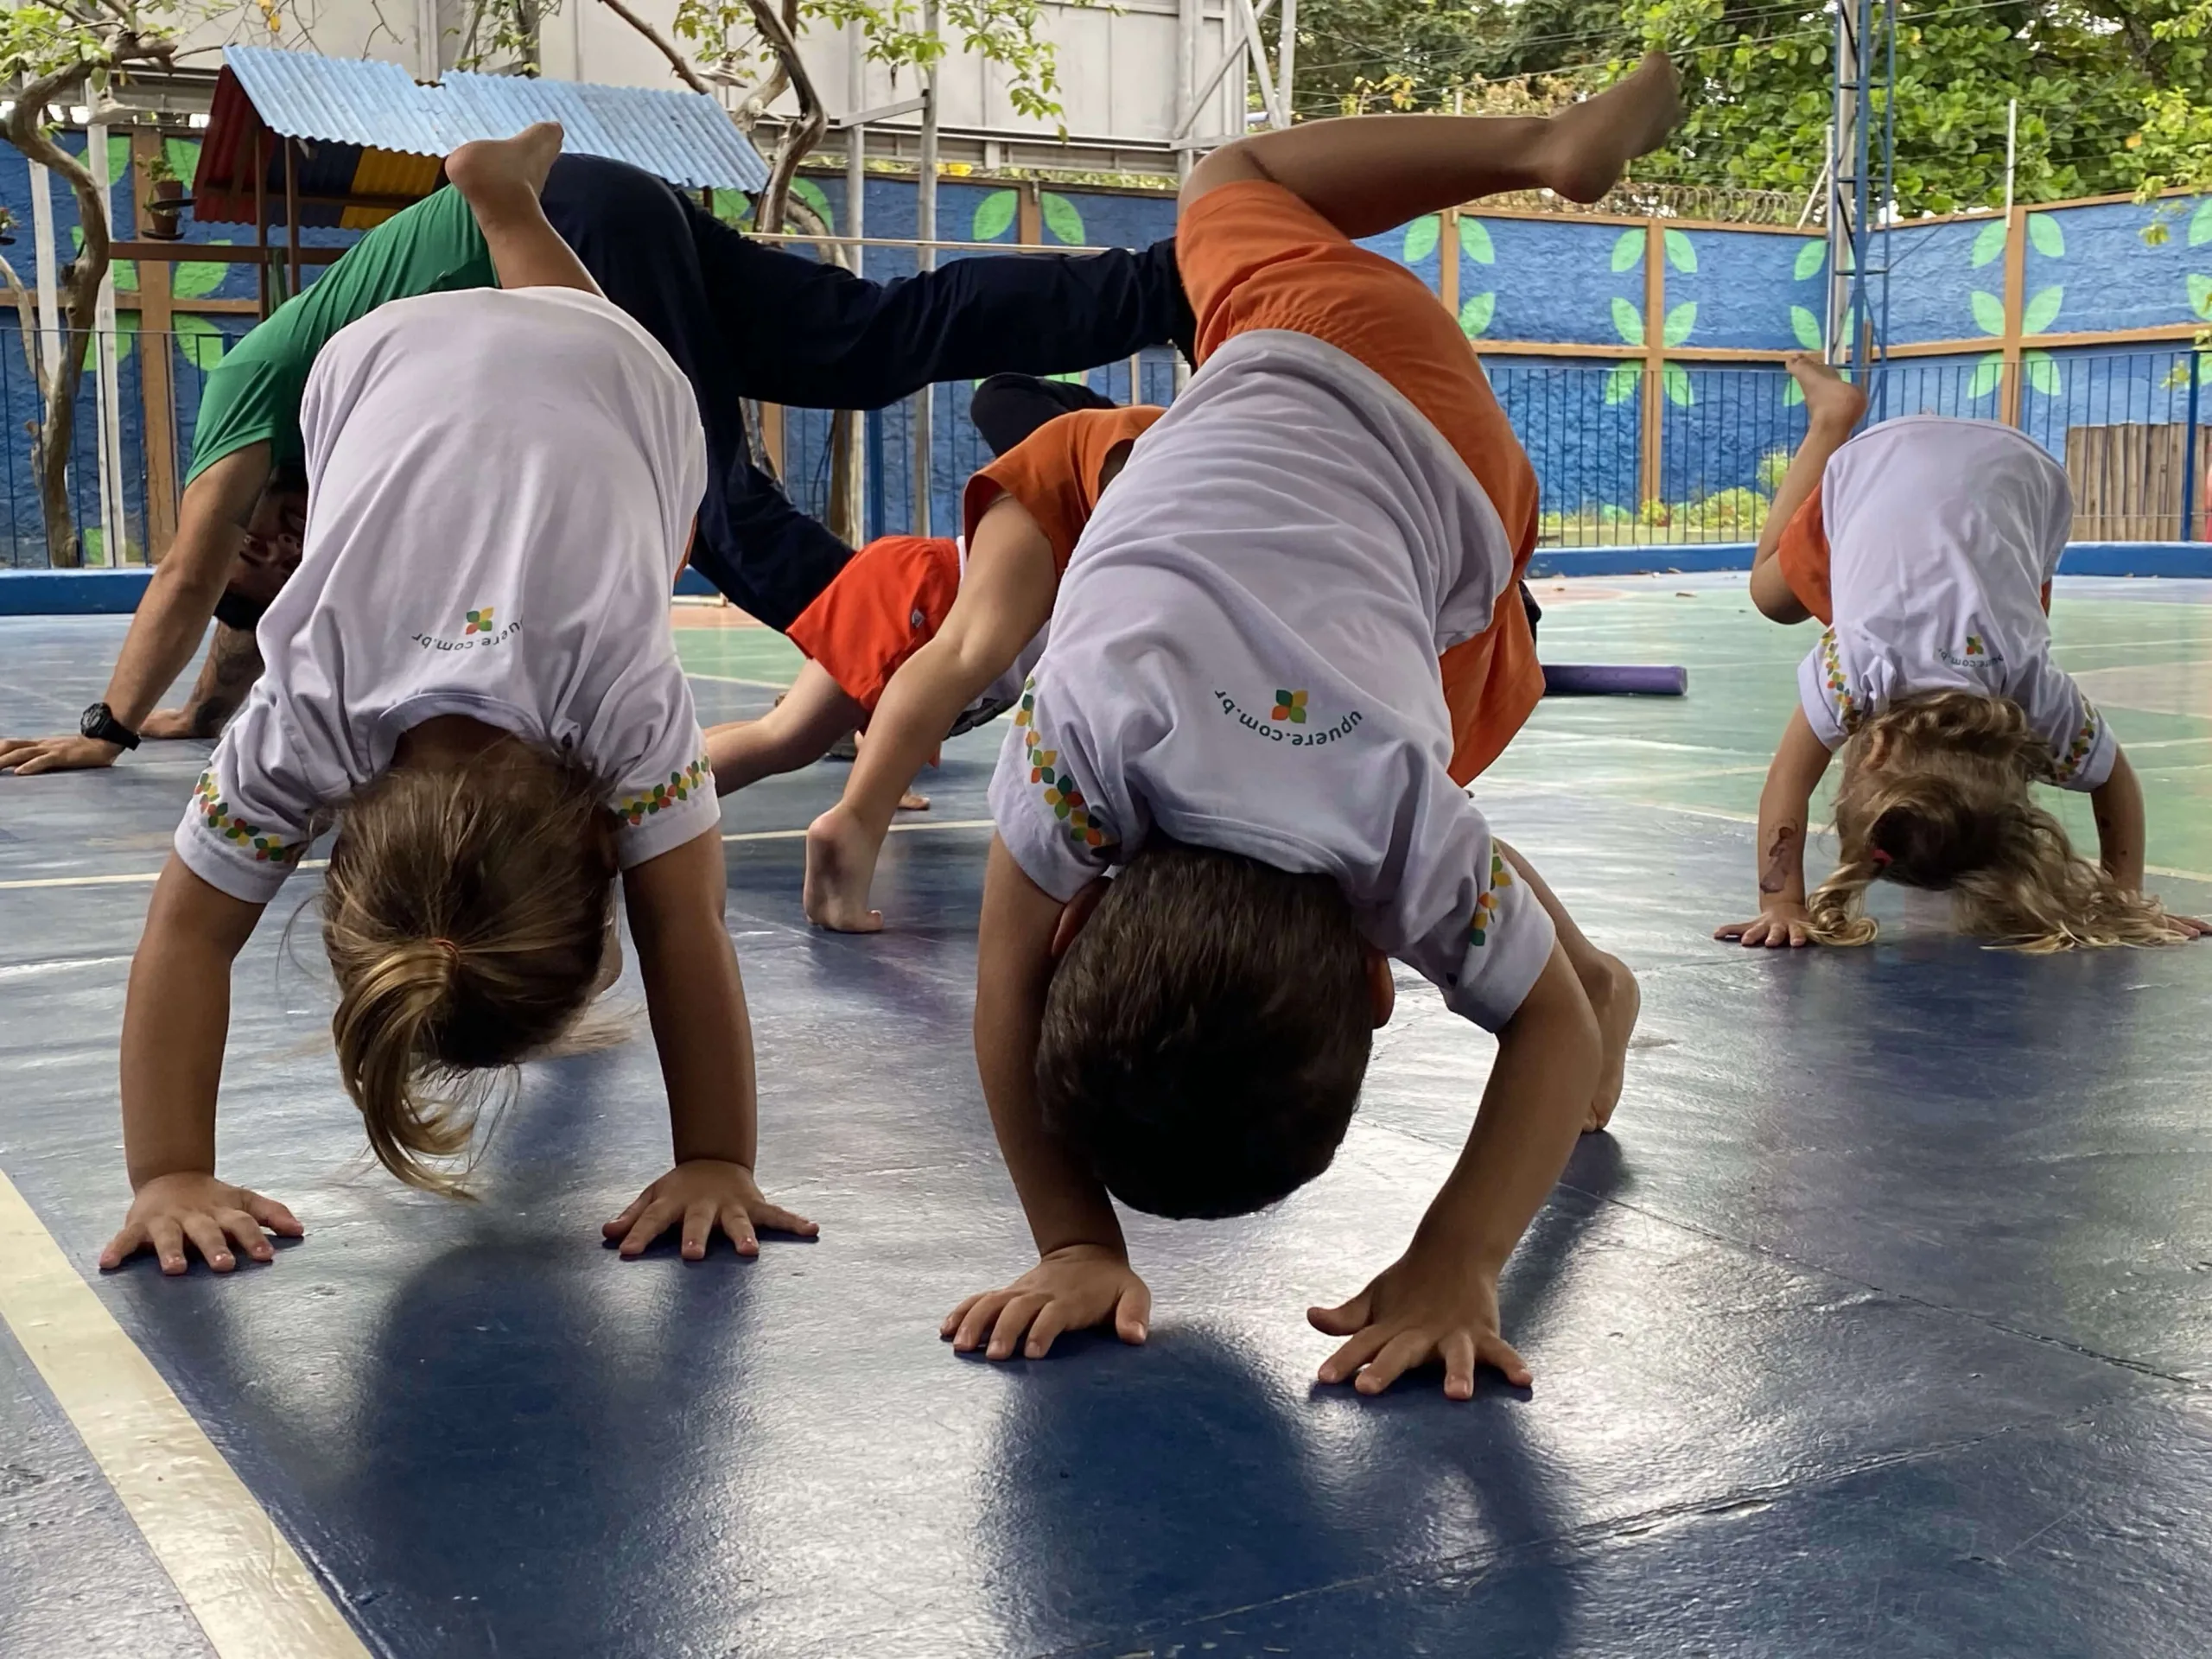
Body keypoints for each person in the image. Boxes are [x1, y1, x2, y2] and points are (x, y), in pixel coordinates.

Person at [940, 60, 1681, 1398]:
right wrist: (1070, 1233)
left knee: (1478, 857)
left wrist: (1460, 1256)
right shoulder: (1082, 751)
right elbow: (1003, 996)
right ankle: (1545, 140)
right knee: (1229, 180)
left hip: (1452, 497)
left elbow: (1550, 1033)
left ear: (1379, 978)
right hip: (1348, 392)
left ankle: (1551, 140)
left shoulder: (1393, 811)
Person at [99, 125, 816, 1278]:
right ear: (341, 853)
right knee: (563, 353)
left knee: (593, 354)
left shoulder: (621, 709)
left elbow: (684, 926)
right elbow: (189, 933)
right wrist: (170, 1170)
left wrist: (718, 1158)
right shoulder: (310, 715)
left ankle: (508, 212)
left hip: (619, 391)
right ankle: (503, 208)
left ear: (600, 845)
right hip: (372, 367)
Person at [0, 156, 1191, 777]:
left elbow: (191, 577)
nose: (271, 550)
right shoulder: (302, 468)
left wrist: (104, 725)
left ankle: (894, 668)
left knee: (706, 500)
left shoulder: (244, 396)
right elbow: (238, 598)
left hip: (562, 227)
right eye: (275, 562)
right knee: (865, 342)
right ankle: (1167, 284)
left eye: (257, 540)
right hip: (606, 202)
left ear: (243, 497)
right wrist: (193, 715)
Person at [1716, 353, 2207, 951]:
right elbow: (1788, 783)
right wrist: (1782, 903)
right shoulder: (1860, 665)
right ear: (1874, 756)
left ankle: (1835, 416)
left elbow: (2115, 782)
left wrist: (2126, 894)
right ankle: (1830, 420)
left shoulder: (2028, 684)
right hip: (1875, 464)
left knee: (2009, 606)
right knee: (1772, 598)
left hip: (2024, 475)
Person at [701, 375, 1148, 821]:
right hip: (929, 593)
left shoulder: (1136, 496)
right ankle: (649, 801)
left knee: (789, 734)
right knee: (786, 738)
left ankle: (666, 776)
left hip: (922, 584)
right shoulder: (1132, 480)